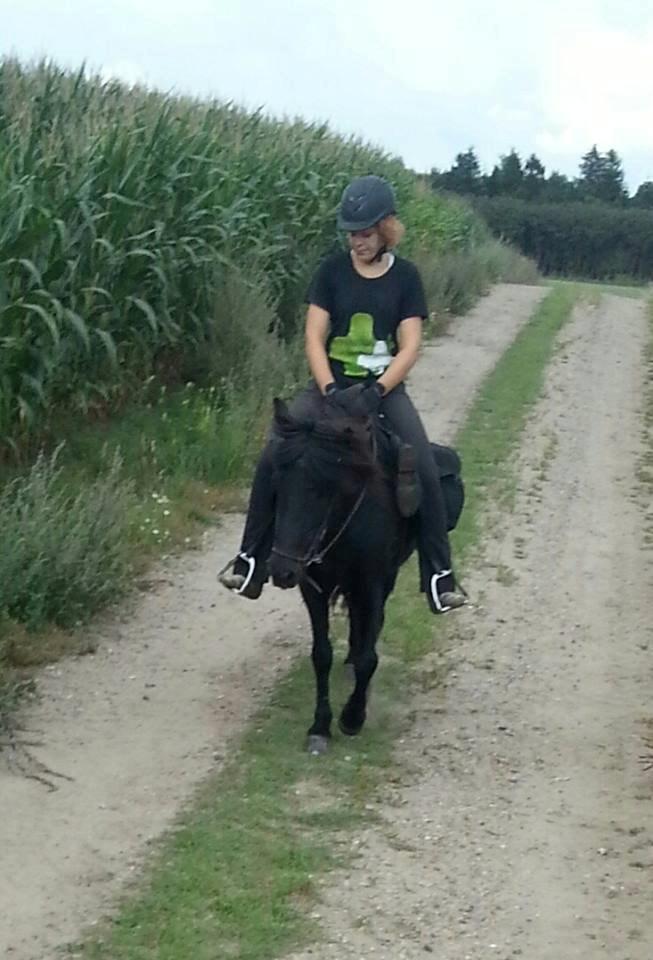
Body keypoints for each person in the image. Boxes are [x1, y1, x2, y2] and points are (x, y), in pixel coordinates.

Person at [219, 175, 466, 614]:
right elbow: (314, 337)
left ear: (387, 228)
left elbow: (410, 345)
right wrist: (329, 387)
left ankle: (438, 575)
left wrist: (377, 392)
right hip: (328, 387)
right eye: (352, 232)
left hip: (382, 393)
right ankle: (251, 558)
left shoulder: (406, 278)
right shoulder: (331, 272)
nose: (358, 241)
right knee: (275, 451)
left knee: (424, 465)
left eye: (366, 232)